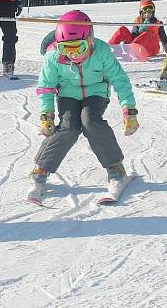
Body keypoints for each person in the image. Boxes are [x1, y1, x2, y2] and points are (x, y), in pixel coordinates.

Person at [30, 10, 139, 187]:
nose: (72, 54)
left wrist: (129, 111)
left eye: (78, 47)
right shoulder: (53, 57)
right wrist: (46, 115)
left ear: (90, 40)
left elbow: (119, 80)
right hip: (67, 94)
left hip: (96, 93)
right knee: (69, 127)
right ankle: (43, 167)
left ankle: (114, 166)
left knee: (90, 121)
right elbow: (46, 87)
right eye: (66, 48)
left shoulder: (102, 51)